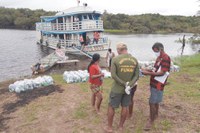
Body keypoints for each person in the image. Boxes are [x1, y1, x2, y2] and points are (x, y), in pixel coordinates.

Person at [104, 43, 139, 133]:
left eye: (117, 50)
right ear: (126, 49)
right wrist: (129, 85)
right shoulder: (134, 60)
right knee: (125, 106)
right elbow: (136, 75)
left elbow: (113, 75)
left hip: (117, 88)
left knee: (111, 106)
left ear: (119, 50)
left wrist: (123, 84)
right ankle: (120, 127)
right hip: (128, 89)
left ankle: (109, 127)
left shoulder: (115, 59)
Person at [141, 42, 171, 130]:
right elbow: (156, 69)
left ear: (160, 49)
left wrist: (148, 73)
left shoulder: (165, 58)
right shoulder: (159, 58)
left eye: (156, 51)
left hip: (158, 84)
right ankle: (156, 114)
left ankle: (151, 120)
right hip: (153, 82)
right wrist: (147, 69)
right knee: (156, 101)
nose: (155, 53)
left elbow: (162, 72)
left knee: (152, 102)